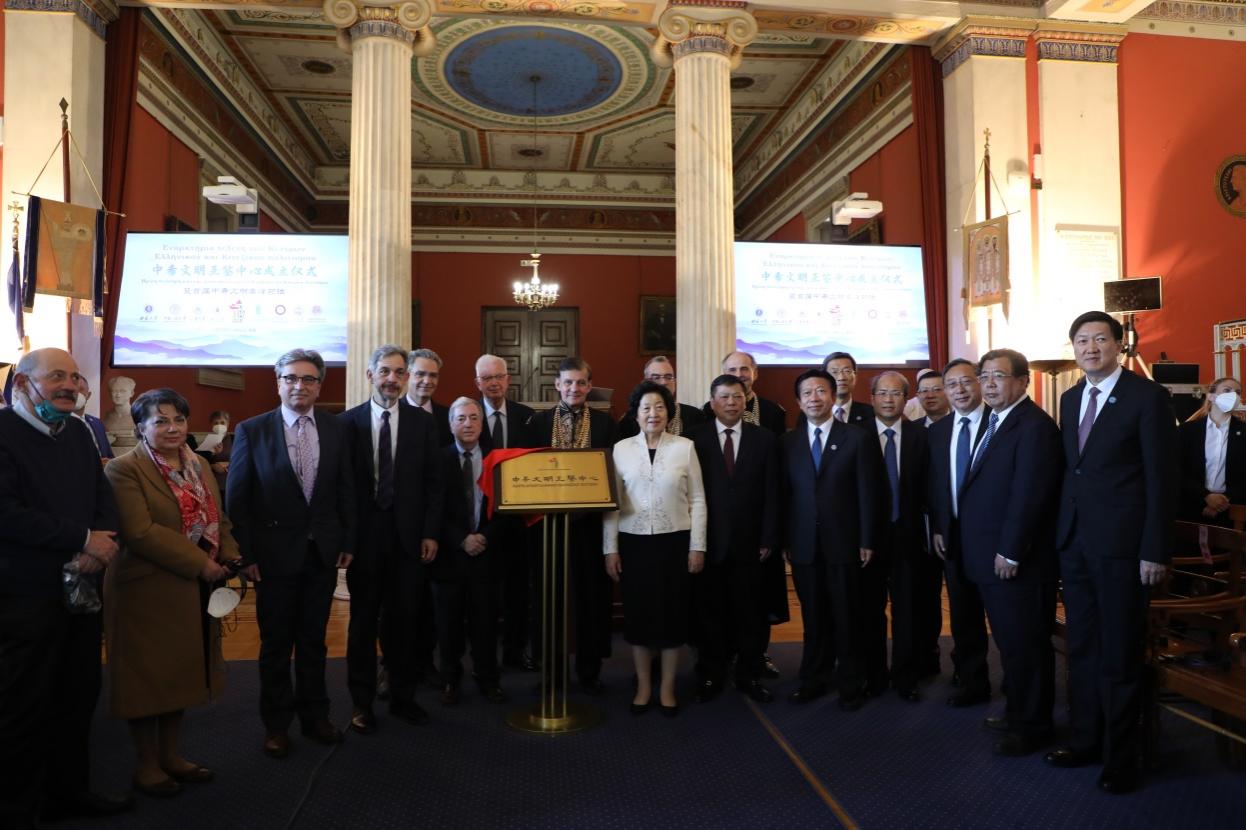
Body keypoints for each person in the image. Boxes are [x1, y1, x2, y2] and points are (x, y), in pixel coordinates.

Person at [1046, 311, 1178, 794]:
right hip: (1076, 543)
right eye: (1081, 341)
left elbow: (1162, 479)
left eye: (1100, 339)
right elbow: (1075, 472)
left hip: (1125, 548)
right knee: (1082, 647)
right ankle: (1086, 740)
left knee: (1120, 651)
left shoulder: (1148, 397)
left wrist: (1154, 549)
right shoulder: (1070, 398)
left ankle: (1122, 757)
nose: (1090, 348)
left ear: (1119, 344)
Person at [0, 348, 131, 826]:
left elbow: (103, 497)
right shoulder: (4, 433)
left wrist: (100, 543)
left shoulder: (78, 431)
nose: (70, 386)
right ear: (22, 384)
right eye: (57, 376)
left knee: (78, 695)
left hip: (82, 591)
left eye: (75, 377)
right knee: (24, 702)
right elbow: (7, 513)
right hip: (24, 596)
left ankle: (69, 793)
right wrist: (81, 539)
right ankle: (17, 806)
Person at [104, 388, 256, 796]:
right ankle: (146, 765)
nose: (172, 428)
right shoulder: (123, 469)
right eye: (161, 421)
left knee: (181, 673)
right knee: (146, 678)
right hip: (145, 589)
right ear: (141, 427)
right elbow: (140, 532)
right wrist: (201, 564)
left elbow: (218, 516)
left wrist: (230, 555)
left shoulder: (198, 463)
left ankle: (172, 756)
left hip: (193, 588)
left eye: (179, 420)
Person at [226, 348, 356, 759]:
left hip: (321, 554)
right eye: (291, 378)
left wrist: (347, 542)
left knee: (315, 642)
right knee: (276, 646)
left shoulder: (337, 428)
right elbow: (238, 500)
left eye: (309, 379)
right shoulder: (252, 430)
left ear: (320, 385)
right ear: (278, 383)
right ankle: (277, 724)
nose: (300, 386)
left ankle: (316, 717)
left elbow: (347, 489)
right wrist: (246, 556)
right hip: (272, 557)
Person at [955, 351, 1062, 756]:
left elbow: (1030, 496)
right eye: (984, 376)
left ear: (1023, 381)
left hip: (1018, 562)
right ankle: (1018, 711)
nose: (989, 384)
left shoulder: (1035, 427)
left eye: (998, 376)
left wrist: (1012, 552)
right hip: (991, 558)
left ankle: (1033, 726)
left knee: (1026, 646)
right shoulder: (997, 421)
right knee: (1011, 644)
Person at [340, 345, 442, 734]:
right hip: (364, 541)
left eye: (400, 372)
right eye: (385, 371)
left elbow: (434, 484)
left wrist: (430, 532)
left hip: (409, 540)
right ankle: (361, 703)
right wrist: (346, 541)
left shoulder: (423, 423)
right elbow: (341, 488)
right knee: (363, 624)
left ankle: (403, 697)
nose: (392, 379)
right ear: (370, 375)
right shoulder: (346, 424)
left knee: (405, 624)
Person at [604, 381, 707, 716]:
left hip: (675, 542)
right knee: (639, 616)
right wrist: (610, 549)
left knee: (672, 615)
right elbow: (612, 504)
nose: (653, 413)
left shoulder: (685, 447)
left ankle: (667, 688)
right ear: (636, 414)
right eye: (646, 407)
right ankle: (644, 686)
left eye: (660, 407)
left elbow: (698, 499)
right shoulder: (620, 449)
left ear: (669, 412)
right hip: (633, 543)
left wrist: (698, 546)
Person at [781, 368, 879, 711]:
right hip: (804, 545)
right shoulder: (787, 442)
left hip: (845, 543)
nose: (814, 398)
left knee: (847, 616)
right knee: (813, 616)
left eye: (821, 391)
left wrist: (867, 539)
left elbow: (868, 492)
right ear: (798, 401)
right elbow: (784, 496)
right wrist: (785, 540)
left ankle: (851, 683)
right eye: (807, 393)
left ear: (833, 396)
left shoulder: (856, 438)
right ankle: (814, 679)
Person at [526, 357, 617, 693]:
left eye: (580, 382)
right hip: (548, 528)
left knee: (591, 598)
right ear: (557, 385)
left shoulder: (606, 424)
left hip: (590, 528)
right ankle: (551, 673)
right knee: (549, 598)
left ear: (589, 386)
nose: (574, 388)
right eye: (568, 382)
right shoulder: (538, 422)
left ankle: (589, 671)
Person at [689, 374, 780, 703]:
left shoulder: (764, 439)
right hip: (708, 542)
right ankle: (711, 673)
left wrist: (769, 536)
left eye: (737, 397)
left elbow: (773, 491)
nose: (731, 403)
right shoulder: (693, 439)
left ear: (746, 400)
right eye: (724, 397)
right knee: (709, 613)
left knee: (751, 614)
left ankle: (749, 674)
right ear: (712, 402)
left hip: (751, 543)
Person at [713, 350, 787, 678]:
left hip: (755, 533)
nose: (739, 375)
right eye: (732, 370)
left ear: (754, 374)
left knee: (756, 605)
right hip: (716, 535)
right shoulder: (702, 428)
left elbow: (775, 484)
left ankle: (754, 661)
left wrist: (771, 534)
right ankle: (716, 664)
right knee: (715, 605)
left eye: (744, 369)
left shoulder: (771, 418)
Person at [434, 397, 512, 705]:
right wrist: (461, 539)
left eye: (474, 418)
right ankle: (450, 679)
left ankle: (488, 678)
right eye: (461, 418)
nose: (468, 424)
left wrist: (484, 537)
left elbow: (507, 508)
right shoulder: (438, 459)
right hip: (450, 557)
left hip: (486, 555)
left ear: (482, 423)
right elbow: (433, 510)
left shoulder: (498, 459)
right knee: (448, 624)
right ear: (450, 424)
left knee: (486, 623)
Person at [866, 371, 937, 702]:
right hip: (868, 540)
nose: (889, 399)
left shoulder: (921, 436)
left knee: (908, 609)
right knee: (870, 609)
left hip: (909, 537)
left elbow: (931, 488)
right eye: (882, 393)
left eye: (896, 393)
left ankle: (905, 676)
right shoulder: (857, 436)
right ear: (872, 398)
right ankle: (874, 675)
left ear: (906, 400)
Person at [926, 358, 993, 706]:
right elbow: (936, 485)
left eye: (966, 382)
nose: (960, 390)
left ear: (979, 382)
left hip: (994, 542)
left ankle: (1018, 686)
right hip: (953, 540)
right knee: (964, 617)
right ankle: (972, 682)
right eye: (951, 385)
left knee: (1003, 618)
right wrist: (939, 527)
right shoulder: (938, 432)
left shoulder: (998, 424)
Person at [473, 353, 536, 671]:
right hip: (481, 522)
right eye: (487, 378)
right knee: (484, 597)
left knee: (518, 593)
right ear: (478, 383)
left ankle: (515, 651)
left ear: (508, 379)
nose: (494, 383)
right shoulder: (469, 415)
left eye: (499, 376)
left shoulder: (527, 417)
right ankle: (483, 660)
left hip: (518, 522)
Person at [1178, 377, 1245, 526]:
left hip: (1232, 510)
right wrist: (1206, 496)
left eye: (1238, 392)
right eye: (1227, 390)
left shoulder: (1244, 431)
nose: (1233, 396)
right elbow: (1176, 469)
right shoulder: (1187, 430)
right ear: (1211, 396)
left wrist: (1223, 501)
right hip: (1190, 506)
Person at [617, 356, 704, 438]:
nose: (663, 382)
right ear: (645, 382)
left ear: (675, 381)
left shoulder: (695, 416)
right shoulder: (630, 420)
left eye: (668, 377)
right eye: (656, 377)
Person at [407, 348, 453, 447]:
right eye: (420, 374)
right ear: (407, 376)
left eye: (433, 375)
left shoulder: (449, 416)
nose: (427, 381)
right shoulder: (391, 413)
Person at [823, 352, 876, 427]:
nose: (841, 378)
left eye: (847, 371)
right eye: (835, 372)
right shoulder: (815, 412)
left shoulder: (871, 413)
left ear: (855, 377)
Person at [73, 375, 114, 462]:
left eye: (81, 389)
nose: (76, 394)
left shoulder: (97, 423)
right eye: (72, 390)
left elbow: (109, 455)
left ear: (88, 395)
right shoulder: (57, 424)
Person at [103, 374, 138, 446]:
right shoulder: (107, 417)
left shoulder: (138, 416)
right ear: (110, 393)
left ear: (131, 393)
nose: (118, 395)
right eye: (114, 391)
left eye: (122, 391)